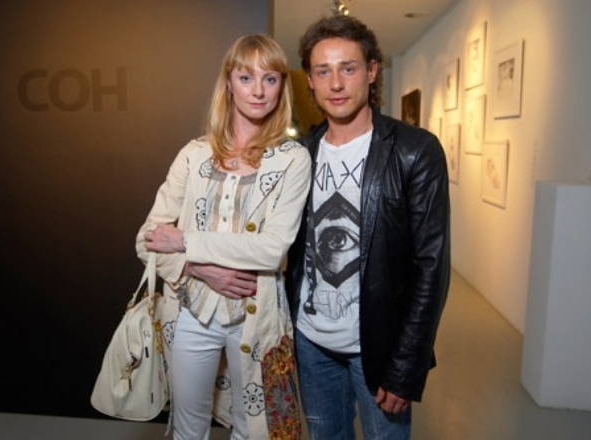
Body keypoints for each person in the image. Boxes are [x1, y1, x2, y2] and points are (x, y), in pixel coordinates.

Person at [135, 33, 310, 440]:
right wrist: (201, 270)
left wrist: (185, 241)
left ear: (282, 86)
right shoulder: (194, 154)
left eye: (270, 78)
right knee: (188, 429)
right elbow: (146, 238)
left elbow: (270, 251)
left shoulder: (293, 159)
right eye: (246, 78)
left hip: (257, 314)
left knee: (253, 430)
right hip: (191, 311)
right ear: (229, 83)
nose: (258, 90)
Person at [284, 15, 451, 439]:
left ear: (372, 70)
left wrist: (407, 364)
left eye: (348, 68)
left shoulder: (415, 151)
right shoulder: (299, 155)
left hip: (378, 347)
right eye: (323, 71)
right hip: (311, 343)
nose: (336, 83)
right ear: (310, 81)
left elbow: (431, 266)